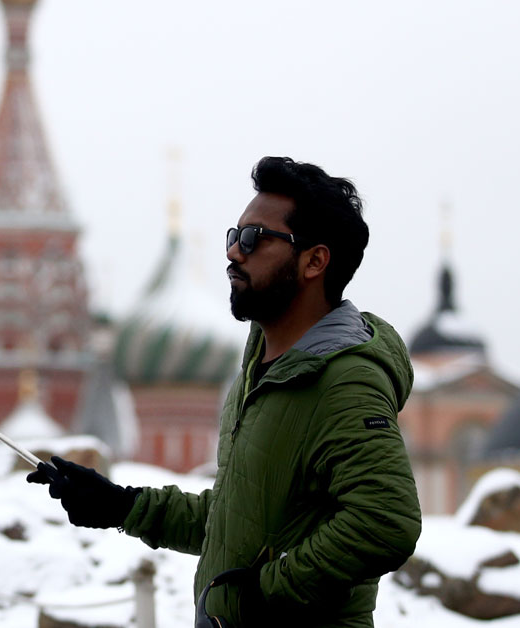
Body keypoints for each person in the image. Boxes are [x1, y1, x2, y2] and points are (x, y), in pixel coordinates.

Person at [29, 157, 421, 627]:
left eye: (256, 239)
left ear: (315, 261)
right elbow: (239, 522)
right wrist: (122, 504)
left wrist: (264, 593)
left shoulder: (344, 379)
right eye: (234, 237)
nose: (235, 253)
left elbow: (385, 520)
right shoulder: (263, 373)